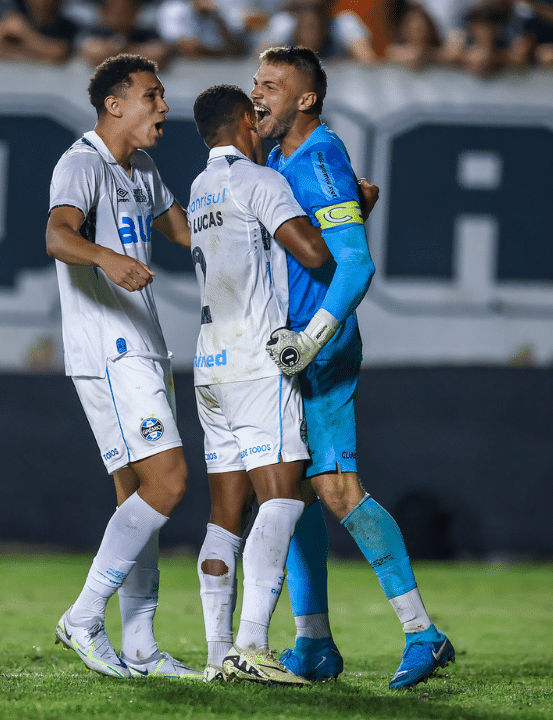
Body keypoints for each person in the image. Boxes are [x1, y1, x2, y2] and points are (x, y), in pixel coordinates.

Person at [253, 45, 453, 690]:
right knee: (295, 494)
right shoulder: (281, 157)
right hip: (289, 349)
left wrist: (313, 337)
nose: (259, 95)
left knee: (337, 488)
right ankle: (312, 643)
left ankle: (424, 633)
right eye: (256, 84)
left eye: (273, 86)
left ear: (307, 98)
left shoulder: (319, 153)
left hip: (319, 349)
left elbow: (357, 264)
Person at [45, 53, 200, 680]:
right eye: (152, 95)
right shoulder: (82, 162)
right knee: (169, 481)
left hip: (143, 344)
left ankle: (139, 642)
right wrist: (107, 258)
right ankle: (83, 617)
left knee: (136, 499)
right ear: (115, 104)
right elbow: (58, 237)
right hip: (110, 348)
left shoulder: (144, 170)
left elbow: (190, 236)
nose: (164, 107)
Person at [187, 84, 333, 686]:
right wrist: (359, 210)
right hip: (255, 361)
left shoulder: (199, 188)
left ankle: (219, 651)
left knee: (225, 513)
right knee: (283, 498)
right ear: (247, 121)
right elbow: (316, 254)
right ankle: (251, 646)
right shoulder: (260, 181)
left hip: (208, 365)